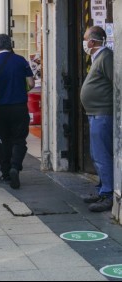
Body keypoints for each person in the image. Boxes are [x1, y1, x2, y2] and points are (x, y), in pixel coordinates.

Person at [0, 34, 34, 189]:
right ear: (10, 45)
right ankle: (15, 166)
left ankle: (5, 173)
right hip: (19, 106)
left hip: (0, 108)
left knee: (3, 140)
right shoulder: (21, 61)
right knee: (19, 139)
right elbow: (31, 83)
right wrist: (21, 89)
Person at [80, 26, 114, 212]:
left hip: (103, 113)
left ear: (92, 42)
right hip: (94, 113)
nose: (84, 43)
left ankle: (108, 195)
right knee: (96, 154)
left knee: (102, 155)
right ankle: (102, 189)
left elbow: (116, 82)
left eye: (85, 39)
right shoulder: (97, 57)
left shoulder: (106, 57)